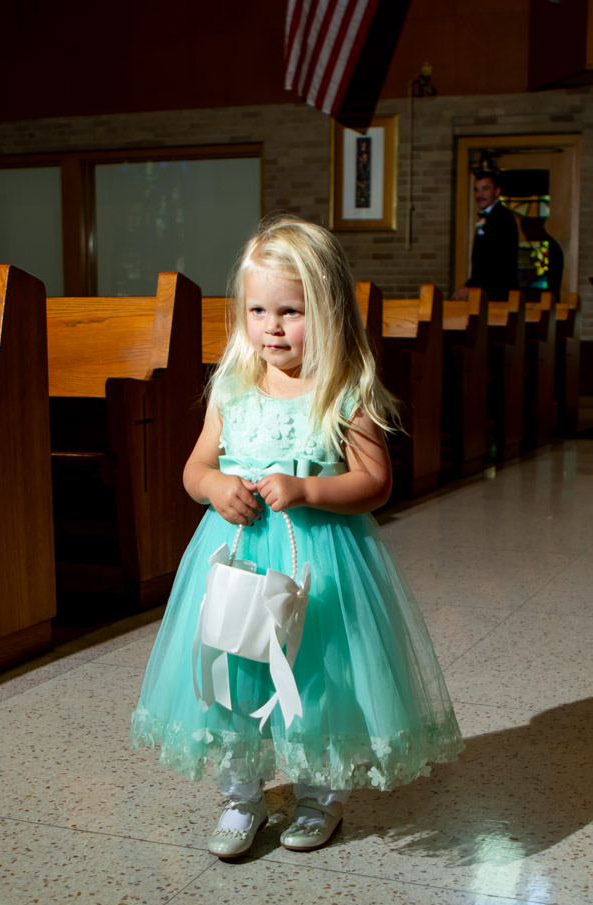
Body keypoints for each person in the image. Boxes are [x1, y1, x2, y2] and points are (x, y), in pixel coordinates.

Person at [130, 216, 463, 857]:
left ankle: (318, 794)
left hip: (322, 563)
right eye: (258, 310)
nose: (271, 327)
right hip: (239, 560)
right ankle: (241, 795)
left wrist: (309, 489)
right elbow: (195, 467)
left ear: (329, 311)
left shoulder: (343, 391)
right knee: (235, 669)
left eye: (291, 311)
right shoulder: (232, 387)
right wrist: (214, 487)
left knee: (317, 676)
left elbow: (376, 482)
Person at [452, 168, 519, 301]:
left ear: (497, 191)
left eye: (485, 189)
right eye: (476, 189)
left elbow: (499, 263)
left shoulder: (502, 218)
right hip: (485, 294)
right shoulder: (490, 217)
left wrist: (472, 288)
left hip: (497, 295)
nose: (479, 195)